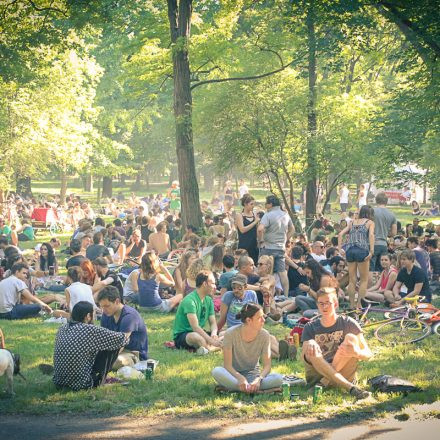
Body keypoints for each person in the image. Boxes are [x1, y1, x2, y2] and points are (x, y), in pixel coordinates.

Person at [301, 287, 372, 400]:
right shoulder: (310, 327)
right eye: (321, 303)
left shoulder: (348, 323)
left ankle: (324, 382)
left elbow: (368, 354)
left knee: (350, 338)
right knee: (311, 348)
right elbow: (305, 356)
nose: (324, 307)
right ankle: (350, 388)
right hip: (318, 372)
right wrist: (310, 342)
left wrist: (356, 352)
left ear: (335, 304)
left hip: (339, 374)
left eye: (328, 303)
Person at [53, 301, 128, 391]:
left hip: (59, 382)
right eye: (94, 313)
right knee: (113, 345)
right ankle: (101, 379)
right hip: (82, 383)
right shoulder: (90, 330)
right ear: (88, 316)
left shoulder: (62, 328)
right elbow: (122, 339)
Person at [212, 302, 283, 393]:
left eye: (263, 317)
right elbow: (227, 366)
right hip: (233, 375)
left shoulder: (264, 335)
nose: (263, 320)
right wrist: (240, 378)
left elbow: (267, 366)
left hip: (254, 377)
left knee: (278, 378)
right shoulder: (230, 334)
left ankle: (235, 389)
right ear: (249, 320)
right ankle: (256, 390)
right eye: (259, 318)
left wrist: (259, 379)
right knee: (217, 371)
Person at [172, 270, 222, 354]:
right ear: (204, 284)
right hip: (184, 335)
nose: (215, 287)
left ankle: (207, 348)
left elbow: (213, 323)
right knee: (197, 337)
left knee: (225, 333)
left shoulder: (209, 300)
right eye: (213, 283)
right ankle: (212, 348)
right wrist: (211, 340)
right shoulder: (190, 301)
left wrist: (214, 334)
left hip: (200, 332)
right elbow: (195, 327)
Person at [98, 286, 149, 368]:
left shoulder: (129, 316)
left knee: (116, 361)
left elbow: (121, 343)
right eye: (102, 306)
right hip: (114, 349)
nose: (104, 310)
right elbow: (103, 339)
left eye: (107, 306)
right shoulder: (106, 314)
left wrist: (103, 359)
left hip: (132, 353)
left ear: (117, 301)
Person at [339, 205, 375, 308]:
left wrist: (339, 248)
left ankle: (351, 305)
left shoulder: (352, 222)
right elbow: (371, 235)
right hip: (362, 250)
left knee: (352, 279)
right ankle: (359, 304)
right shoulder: (370, 222)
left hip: (350, 250)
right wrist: (371, 251)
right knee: (364, 279)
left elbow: (341, 234)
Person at [257, 195, 294, 295]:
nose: (265, 206)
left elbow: (260, 229)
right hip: (280, 248)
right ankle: (285, 296)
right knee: (282, 273)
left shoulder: (268, 215)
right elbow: (292, 229)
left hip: (268, 247)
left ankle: (266, 295)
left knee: (264, 271)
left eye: (266, 203)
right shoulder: (285, 215)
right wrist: (285, 239)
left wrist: (261, 240)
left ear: (270, 204)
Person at [371, 192, 397, 272]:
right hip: (383, 244)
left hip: (372, 244)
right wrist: (385, 232)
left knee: (370, 269)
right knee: (382, 270)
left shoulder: (371, 212)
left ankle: (371, 284)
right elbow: (394, 233)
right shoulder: (392, 215)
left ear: (376, 201)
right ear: (386, 201)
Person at [236, 194, 259, 264]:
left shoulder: (254, 214)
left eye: (254, 204)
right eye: (251, 204)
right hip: (244, 245)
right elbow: (242, 230)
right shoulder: (239, 215)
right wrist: (255, 222)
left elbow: (257, 229)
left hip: (254, 245)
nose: (253, 206)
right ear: (245, 204)